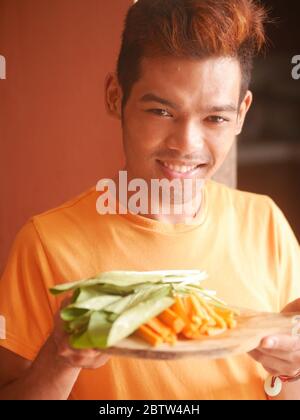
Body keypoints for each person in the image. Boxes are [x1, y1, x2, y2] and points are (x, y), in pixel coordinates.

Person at [0, 0, 300, 400]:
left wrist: (293, 372)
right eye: (161, 110)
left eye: (215, 118)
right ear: (114, 97)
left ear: (242, 114)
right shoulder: (45, 244)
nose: (185, 145)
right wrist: (60, 356)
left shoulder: (266, 222)